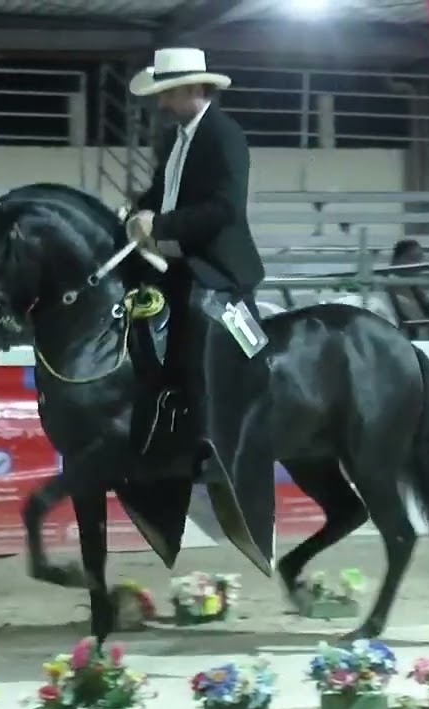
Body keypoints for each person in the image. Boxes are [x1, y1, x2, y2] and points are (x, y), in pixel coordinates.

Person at [123, 47, 274, 567]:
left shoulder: (224, 136)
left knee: (199, 330)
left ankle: (213, 444)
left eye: (167, 92)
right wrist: (138, 209)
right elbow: (162, 192)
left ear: (193, 89)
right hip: (178, 260)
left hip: (219, 268)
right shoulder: (177, 139)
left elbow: (224, 208)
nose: (162, 102)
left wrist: (160, 227)